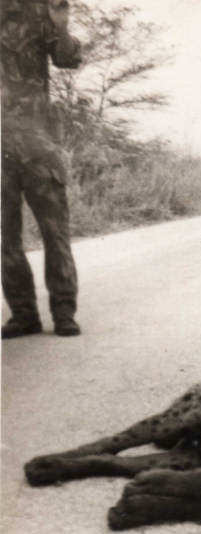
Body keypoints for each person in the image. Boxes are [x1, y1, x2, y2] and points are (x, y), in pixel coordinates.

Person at [2, 0, 82, 339]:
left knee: (55, 232)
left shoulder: (37, 9)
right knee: (5, 239)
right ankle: (24, 315)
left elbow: (67, 59)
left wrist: (60, 25)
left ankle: (64, 312)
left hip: (38, 144)